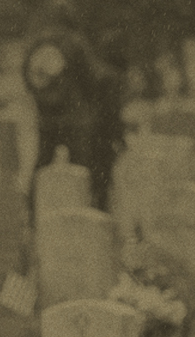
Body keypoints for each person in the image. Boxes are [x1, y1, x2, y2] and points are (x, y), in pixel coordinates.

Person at [21, 20, 124, 213]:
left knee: (42, 162)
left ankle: (32, 212)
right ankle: (84, 211)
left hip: (47, 118)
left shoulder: (36, 43)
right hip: (76, 119)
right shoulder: (74, 42)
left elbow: (28, 78)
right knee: (81, 168)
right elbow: (91, 76)